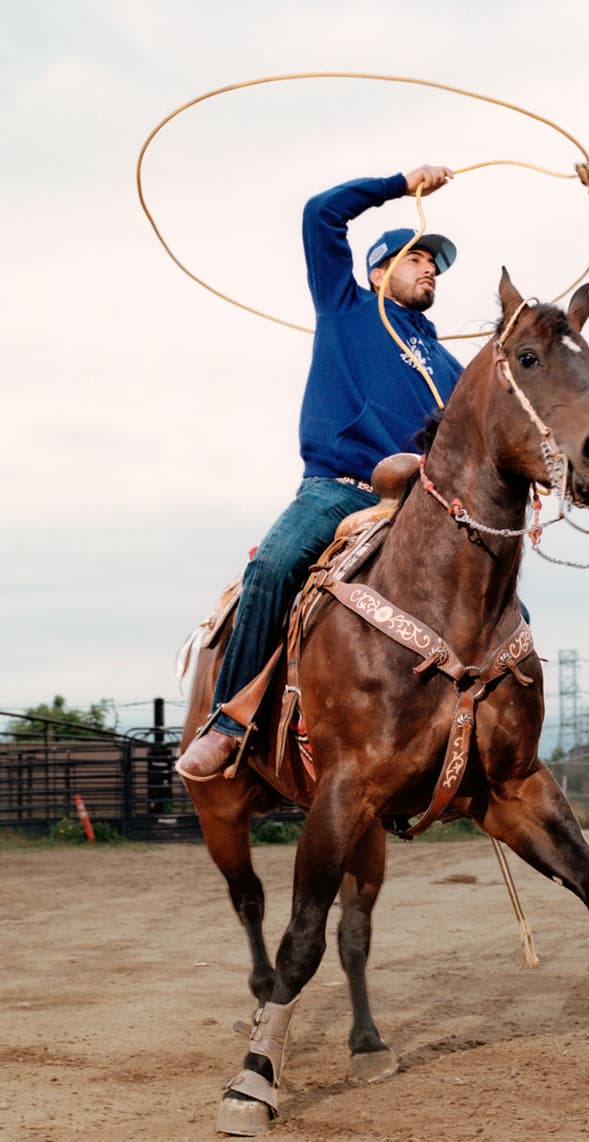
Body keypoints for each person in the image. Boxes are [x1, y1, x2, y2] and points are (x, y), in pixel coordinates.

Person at [177, 165, 464, 779]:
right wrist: (397, 184)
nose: (430, 268)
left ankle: (477, 738)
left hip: (420, 509)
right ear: (378, 271)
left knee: (498, 602)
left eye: (435, 263)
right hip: (338, 490)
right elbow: (320, 214)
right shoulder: (347, 308)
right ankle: (229, 722)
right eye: (417, 258)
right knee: (274, 565)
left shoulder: (447, 363)